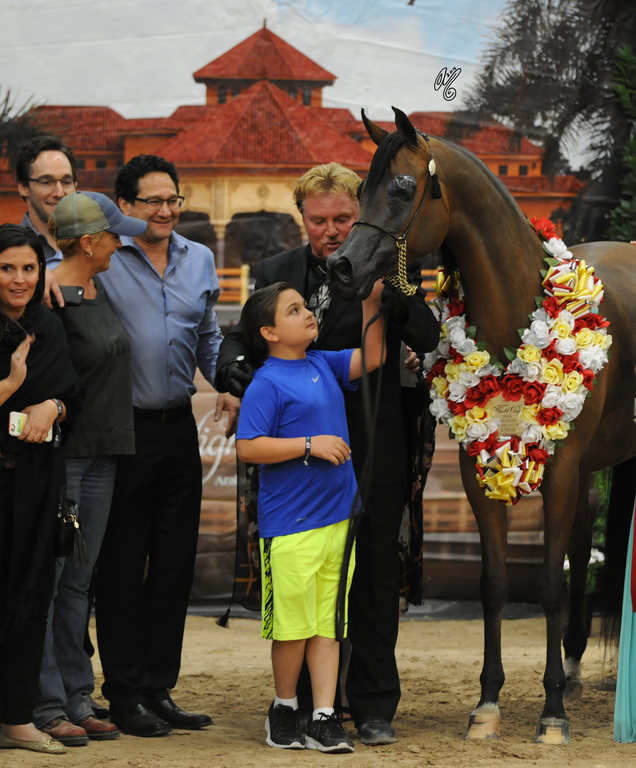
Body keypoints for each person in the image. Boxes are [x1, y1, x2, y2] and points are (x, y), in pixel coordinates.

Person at [216, 162, 439, 745]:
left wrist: (392, 292)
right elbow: (237, 340)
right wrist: (242, 381)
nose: (332, 230)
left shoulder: (395, 266)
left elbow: (425, 333)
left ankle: (371, 705)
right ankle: (311, 705)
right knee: (305, 583)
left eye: (343, 217)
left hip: (374, 446)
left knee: (371, 576)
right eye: (319, 220)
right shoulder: (272, 273)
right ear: (303, 219)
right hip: (297, 457)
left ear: (359, 213)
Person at [81, 155, 240, 737]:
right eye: (152, 201)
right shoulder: (102, 257)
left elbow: (208, 335)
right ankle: (123, 693)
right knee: (122, 565)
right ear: (124, 206)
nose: (167, 210)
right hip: (120, 430)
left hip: (180, 429)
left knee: (174, 564)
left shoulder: (199, 257)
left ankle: (158, 687)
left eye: (173, 199)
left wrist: (225, 382)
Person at [235, 278, 385, 753]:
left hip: (339, 519)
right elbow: (248, 447)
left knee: (329, 624)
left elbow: (374, 355)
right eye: (293, 310)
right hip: (289, 526)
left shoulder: (323, 362)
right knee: (292, 627)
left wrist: (371, 302)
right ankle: (283, 708)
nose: (307, 314)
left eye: (305, 307)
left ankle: (323, 716)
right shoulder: (266, 382)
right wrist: (308, 445)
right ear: (270, 333)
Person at [32, 192, 146, 747]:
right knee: (54, 583)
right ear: (88, 242)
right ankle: (48, 701)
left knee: (78, 582)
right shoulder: (51, 297)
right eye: (112, 234)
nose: (121, 242)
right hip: (68, 458)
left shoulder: (98, 289)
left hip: (104, 454)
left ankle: (77, 696)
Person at [0, 224, 81, 755]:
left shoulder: (47, 326)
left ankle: (15, 717)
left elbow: (66, 394)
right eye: (6, 267)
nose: (19, 279)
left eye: (29, 268)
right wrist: (9, 387)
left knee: (29, 597)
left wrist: (53, 406)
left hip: (33, 484)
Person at [16, 135, 78, 263]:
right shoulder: (7, 250)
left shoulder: (96, 246)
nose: (59, 193)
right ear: (23, 187)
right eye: (46, 182)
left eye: (66, 182)